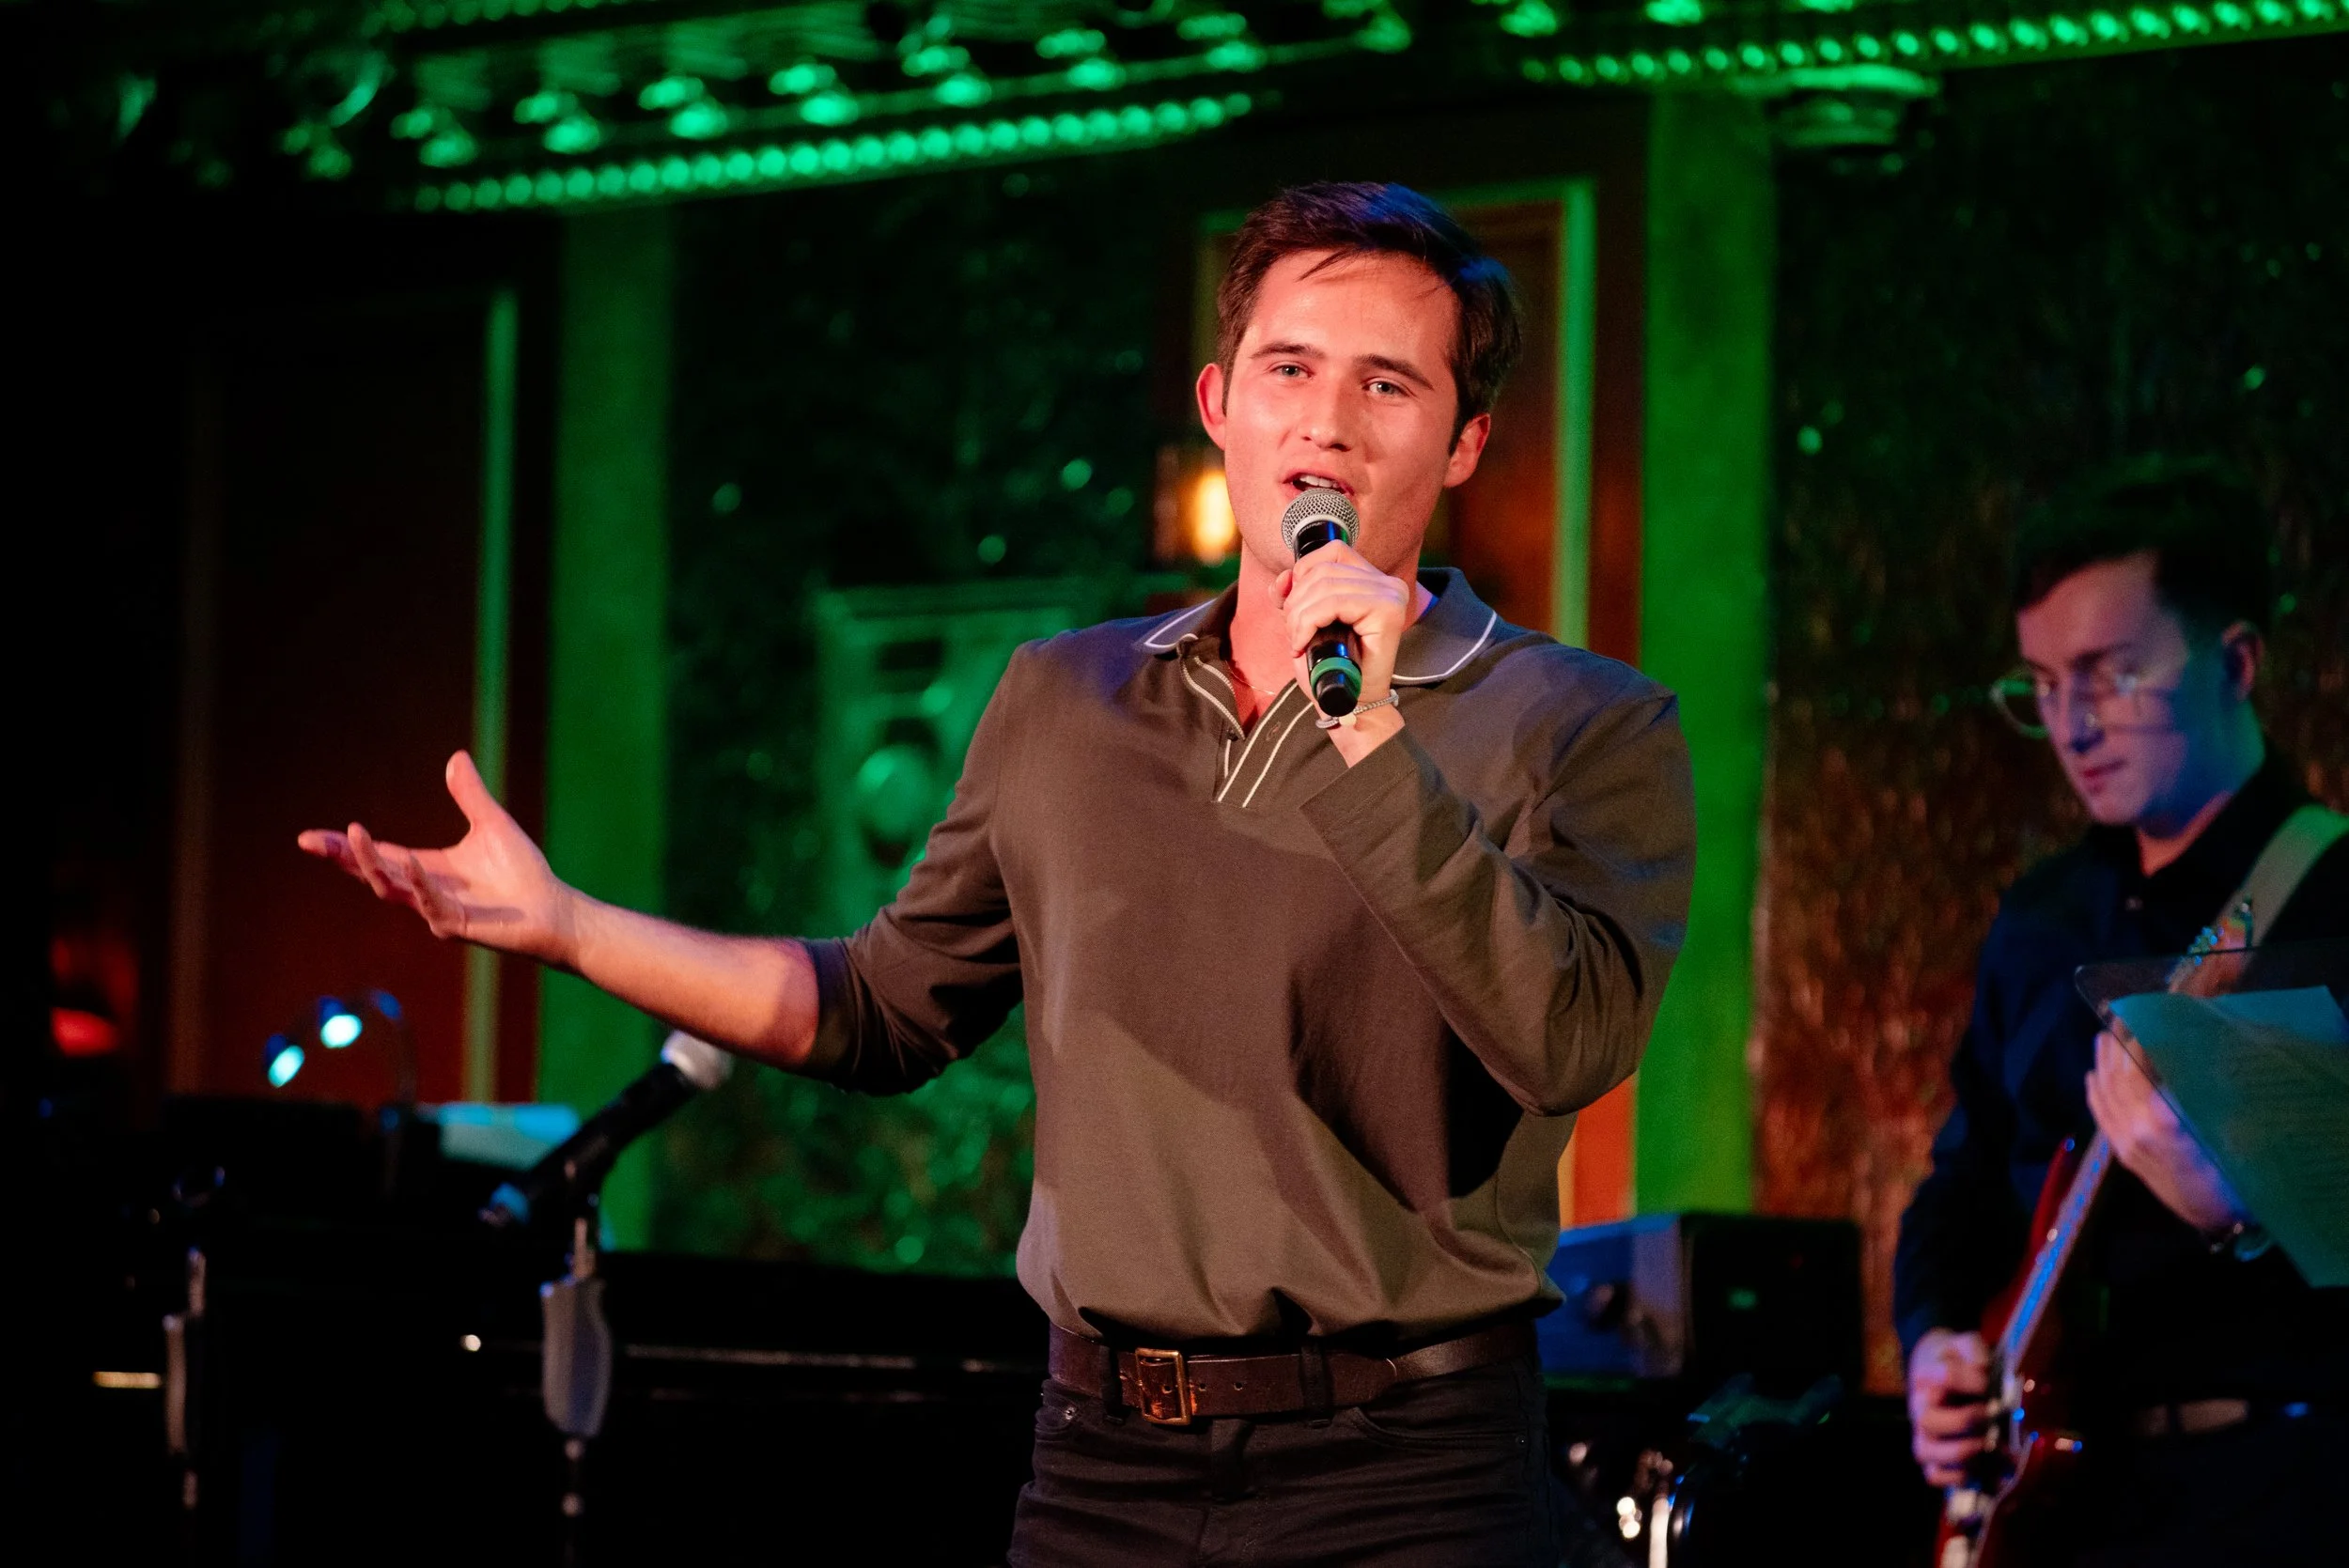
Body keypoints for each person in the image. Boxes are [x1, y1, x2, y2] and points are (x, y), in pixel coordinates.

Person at [302, 182, 1696, 1565]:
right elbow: (885, 1008)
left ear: (1463, 443)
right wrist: (569, 927)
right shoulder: (1069, 700)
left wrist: (1371, 741)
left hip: (1411, 1473)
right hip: (1104, 1464)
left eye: (1389, 385)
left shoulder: (1580, 722)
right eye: (1290, 369)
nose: (1327, 421)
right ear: (1220, 405)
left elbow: (1567, 1038)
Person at [1895, 468, 2349, 1565]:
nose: (2071, 724)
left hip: (2275, 1496)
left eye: (2110, 674)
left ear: (2235, 663)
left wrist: (2234, 1213)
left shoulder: (2335, 898)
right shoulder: (2042, 918)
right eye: (2043, 685)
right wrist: (1935, 1348)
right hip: (2055, 1506)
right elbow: (1962, 1185)